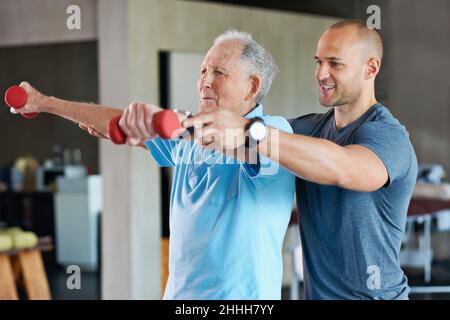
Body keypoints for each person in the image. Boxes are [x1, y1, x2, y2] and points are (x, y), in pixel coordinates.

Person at [13, 30, 295, 299]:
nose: (205, 81)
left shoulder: (272, 132)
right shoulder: (188, 135)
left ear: (252, 86)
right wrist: (44, 103)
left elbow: (238, 139)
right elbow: (119, 121)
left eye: (219, 72)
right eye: (203, 71)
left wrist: (170, 121)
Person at [183, 20, 418, 300]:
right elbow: (238, 134)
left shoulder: (389, 136)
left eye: (335, 64)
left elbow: (345, 169)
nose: (321, 73)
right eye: (318, 62)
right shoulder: (308, 129)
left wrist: (250, 133)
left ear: (370, 68)